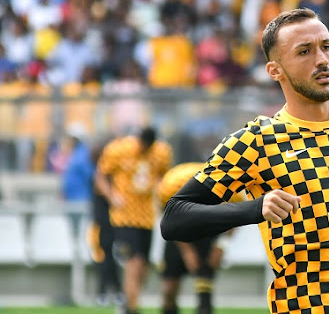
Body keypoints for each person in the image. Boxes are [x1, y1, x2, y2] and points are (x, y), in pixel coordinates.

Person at [161, 8, 329, 313]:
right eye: (304, 51)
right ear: (276, 71)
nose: (322, 59)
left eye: (326, 46)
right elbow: (174, 218)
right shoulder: (257, 141)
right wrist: (256, 208)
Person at [95, 127, 172, 314]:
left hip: (146, 216)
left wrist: (160, 194)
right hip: (124, 216)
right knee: (134, 260)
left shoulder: (161, 152)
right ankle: (132, 307)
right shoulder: (118, 149)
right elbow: (100, 176)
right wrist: (112, 196)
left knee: (144, 264)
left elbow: (164, 177)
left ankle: (129, 300)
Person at [157, 162, 238, 314]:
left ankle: (205, 307)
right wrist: (186, 251)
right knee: (169, 289)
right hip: (178, 231)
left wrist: (221, 247)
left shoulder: (224, 183)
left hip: (207, 231)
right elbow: (168, 221)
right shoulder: (171, 184)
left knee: (205, 282)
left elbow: (235, 214)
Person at [86, 138, 122, 307]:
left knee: (105, 256)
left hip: (102, 224)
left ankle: (106, 292)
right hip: (105, 223)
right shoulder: (105, 180)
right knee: (106, 256)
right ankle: (113, 291)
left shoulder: (103, 178)